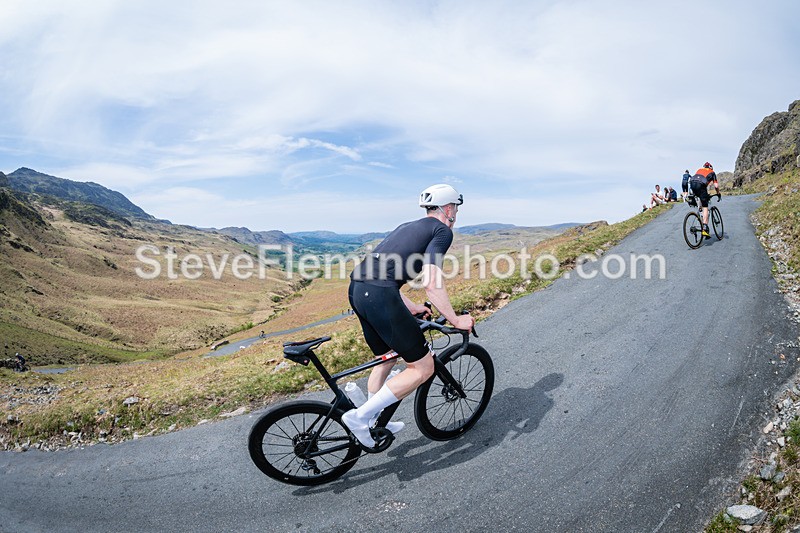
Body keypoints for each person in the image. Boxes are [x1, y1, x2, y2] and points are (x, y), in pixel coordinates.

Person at [342, 183, 475, 448]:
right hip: (379, 295)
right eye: (456, 209)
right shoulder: (441, 231)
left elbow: (382, 270)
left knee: (387, 358)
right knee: (423, 367)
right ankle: (360, 418)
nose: (456, 214)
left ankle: (373, 418)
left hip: (358, 289)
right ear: (449, 209)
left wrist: (412, 306)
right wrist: (456, 320)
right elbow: (432, 282)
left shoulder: (407, 226)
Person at [689, 162, 721, 237]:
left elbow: (696, 179)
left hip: (692, 184)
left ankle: (700, 215)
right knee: (705, 207)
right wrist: (718, 193)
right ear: (711, 168)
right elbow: (716, 186)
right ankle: (705, 227)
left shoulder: (699, 170)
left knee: (701, 205)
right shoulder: (712, 172)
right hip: (701, 186)